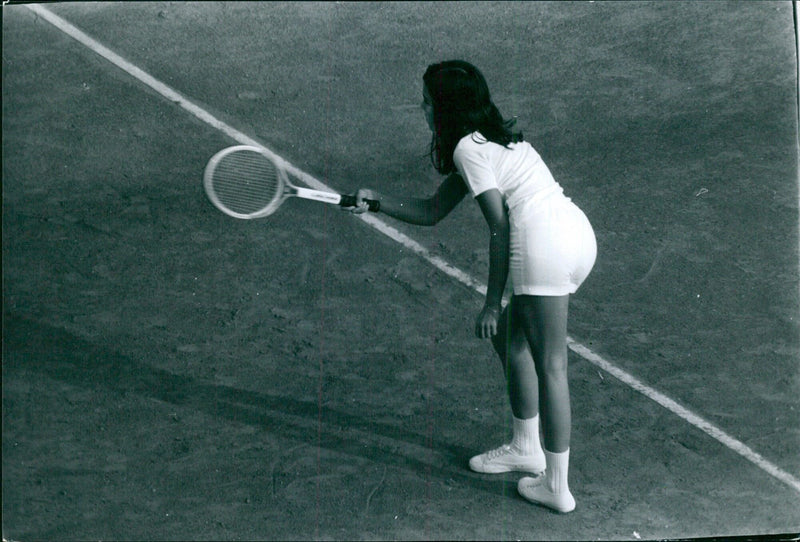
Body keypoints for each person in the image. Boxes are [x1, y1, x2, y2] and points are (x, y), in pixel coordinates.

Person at [348, 60, 596, 513]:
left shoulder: (466, 149)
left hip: (542, 243)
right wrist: (378, 204)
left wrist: (490, 303)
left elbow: (500, 229)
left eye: (427, 102)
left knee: (551, 364)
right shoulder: (491, 140)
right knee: (512, 340)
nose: (422, 109)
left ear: (444, 109)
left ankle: (556, 487)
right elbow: (432, 210)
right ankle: (526, 447)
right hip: (575, 235)